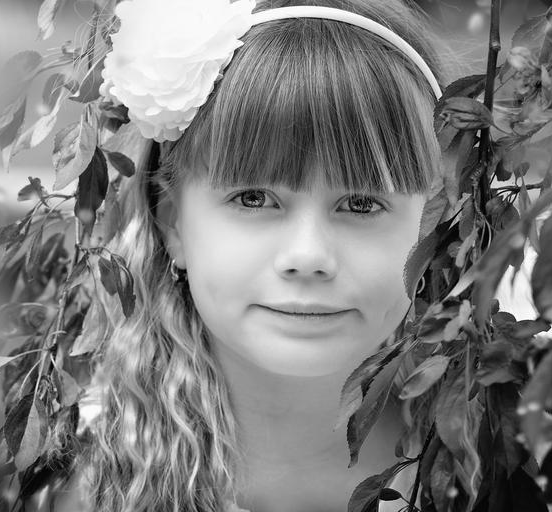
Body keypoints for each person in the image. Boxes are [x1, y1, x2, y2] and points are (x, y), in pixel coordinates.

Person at [64, 1, 464, 511]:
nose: (308, 256)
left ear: (436, 226)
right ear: (172, 222)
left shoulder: (507, 468)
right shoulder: (79, 483)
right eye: (253, 198)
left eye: (362, 204)